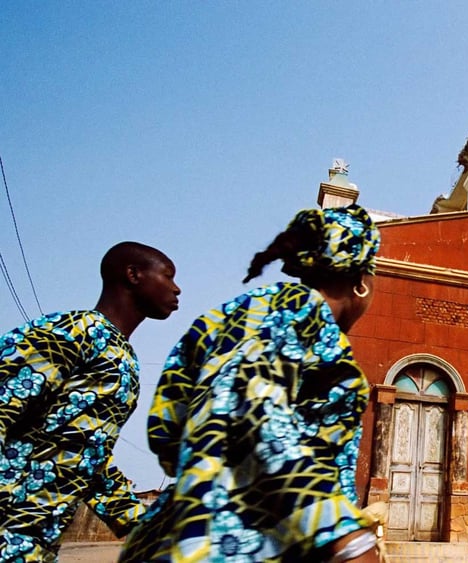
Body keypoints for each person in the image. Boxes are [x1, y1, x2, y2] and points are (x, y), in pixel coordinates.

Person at [118, 204, 381, 563]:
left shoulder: (238, 314)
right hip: (230, 547)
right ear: (362, 282)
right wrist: (345, 535)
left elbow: (167, 429)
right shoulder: (301, 308)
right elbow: (254, 408)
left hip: (189, 531)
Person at [0, 242, 181, 561]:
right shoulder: (76, 331)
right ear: (133, 274)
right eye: (168, 275)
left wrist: (143, 527)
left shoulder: (123, 359)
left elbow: (89, 453)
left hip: (36, 540)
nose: (176, 288)